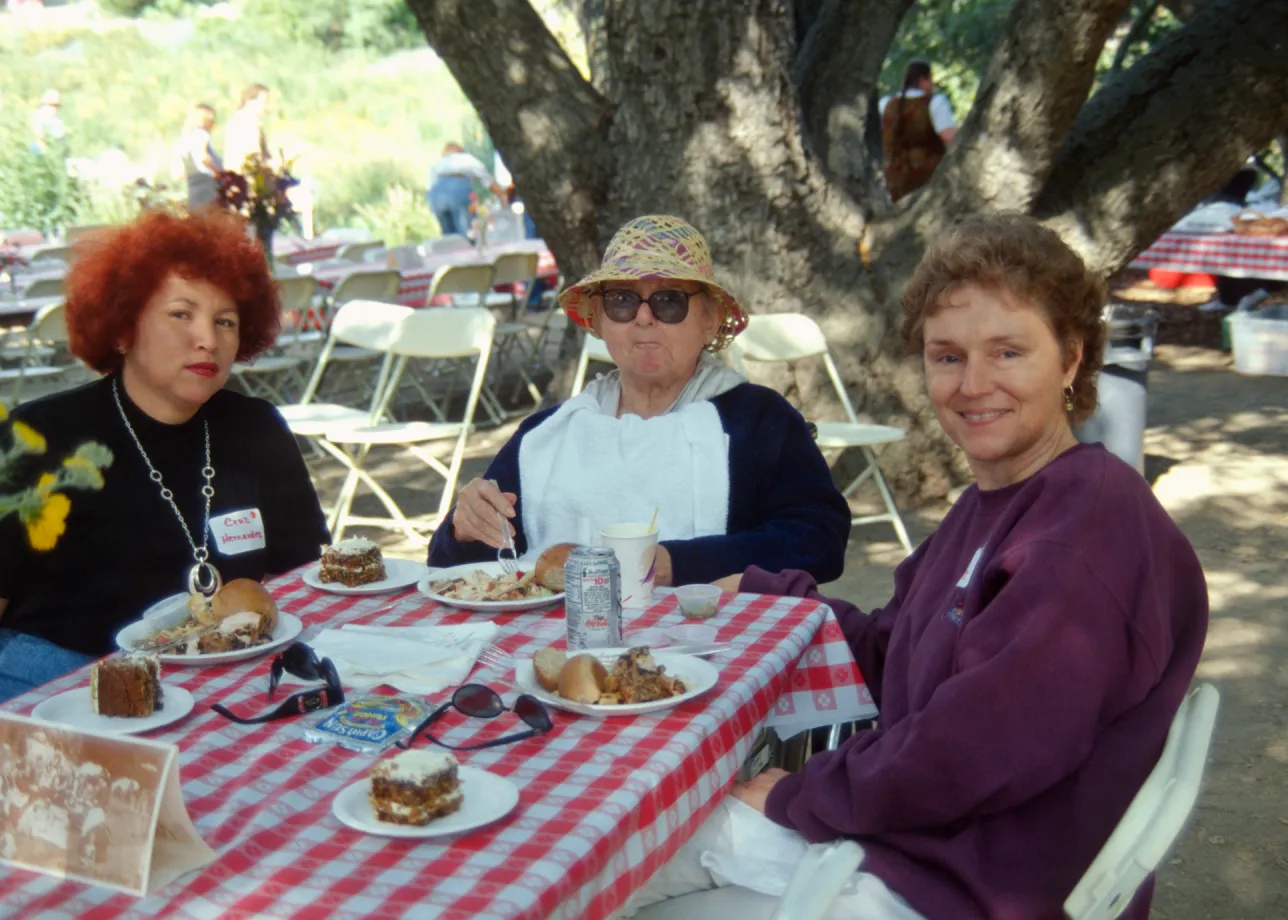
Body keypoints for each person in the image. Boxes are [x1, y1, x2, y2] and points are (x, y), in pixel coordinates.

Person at [625, 213, 1209, 920]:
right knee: (635, 842)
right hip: (921, 847)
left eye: (1008, 353)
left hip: (962, 887)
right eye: (947, 356)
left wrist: (800, 794)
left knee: (625, 858)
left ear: (1072, 358)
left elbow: (975, 746)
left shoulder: (1086, 526)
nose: (973, 384)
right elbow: (897, 648)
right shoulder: (999, 503)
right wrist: (765, 592)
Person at [0, 209, 330, 703]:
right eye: (182, 314)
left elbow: (307, 582)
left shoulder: (257, 429)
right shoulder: (39, 440)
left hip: (216, 681)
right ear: (122, 329)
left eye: (226, 321)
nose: (208, 338)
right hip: (59, 685)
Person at [426, 214, 851, 587]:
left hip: (708, 653)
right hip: (555, 649)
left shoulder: (759, 421)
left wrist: (673, 563)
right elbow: (454, 565)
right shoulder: (550, 434)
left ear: (710, 320)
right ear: (601, 321)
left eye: (669, 300)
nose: (644, 317)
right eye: (622, 301)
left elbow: (819, 539)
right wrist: (463, 528)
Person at [880, 60, 957, 201]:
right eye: (930, 80)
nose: (932, 85)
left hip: (893, 184)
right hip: (928, 183)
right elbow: (950, 138)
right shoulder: (935, 103)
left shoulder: (885, 104)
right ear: (923, 80)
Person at [426, 141, 504, 238]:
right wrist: (502, 195)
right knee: (464, 230)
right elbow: (487, 181)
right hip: (457, 188)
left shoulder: (437, 164)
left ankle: (451, 249)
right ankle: (467, 246)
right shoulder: (466, 159)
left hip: (436, 194)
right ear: (460, 151)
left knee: (447, 233)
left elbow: (430, 186)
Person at [176, 103, 223, 210]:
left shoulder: (185, 137)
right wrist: (219, 171)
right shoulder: (202, 134)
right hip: (206, 182)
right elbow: (203, 157)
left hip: (193, 183)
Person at [224, 83, 270, 173]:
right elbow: (254, 154)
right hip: (248, 177)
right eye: (264, 102)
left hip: (233, 178)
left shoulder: (235, 119)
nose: (266, 107)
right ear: (249, 101)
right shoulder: (250, 122)